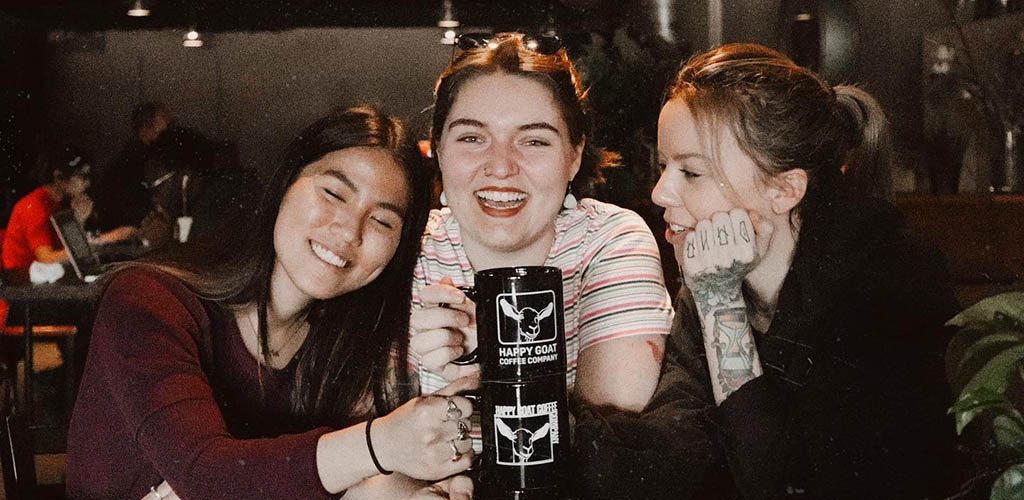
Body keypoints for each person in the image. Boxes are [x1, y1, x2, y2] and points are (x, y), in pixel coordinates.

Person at [66, 107, 477, 500]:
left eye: (382, 221)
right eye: (333, 193)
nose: (349, 231)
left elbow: (359, 481)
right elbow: (209, 477)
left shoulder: (343, 349)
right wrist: (378, 445)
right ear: (285, 185)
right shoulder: (149, 299)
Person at [625, 43, 958, 498]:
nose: (659, 193)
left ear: (784, 190)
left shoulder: (889, 280)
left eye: (692, 173)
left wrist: (721, 302)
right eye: (664, 166)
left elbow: (786, 482)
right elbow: (676, 447)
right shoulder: (711, 274)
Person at [408, 32, 674, 416]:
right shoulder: (409, 246)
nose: (501, 167)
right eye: (472, 137)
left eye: (534, 141)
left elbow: (610, 434)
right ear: (438, 149)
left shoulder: (610, 241)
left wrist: (497, 357)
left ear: (574, 156)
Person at [1, 146, 135, 285]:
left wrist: (80, 221)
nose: (87, 183)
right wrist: (97, 242)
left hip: (50, 277)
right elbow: (46, 259)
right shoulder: (35, 206)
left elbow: (70, 249)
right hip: (23, 282)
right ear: (59, 176)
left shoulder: (60, 202)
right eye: (82, 176)